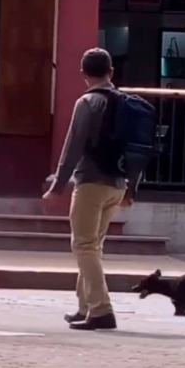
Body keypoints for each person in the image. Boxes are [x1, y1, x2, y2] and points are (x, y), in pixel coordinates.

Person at [42, 48, 141, 331]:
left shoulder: (87, 102)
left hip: (91, 183)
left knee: (84, 246)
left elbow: (73, 146)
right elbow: (138, 150)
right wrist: (130, 189)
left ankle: (101, 310)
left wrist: (58, 186)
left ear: (83, 74)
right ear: (111, 72)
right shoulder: (126, 103)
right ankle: (85, 306)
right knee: (93, 246)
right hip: (117, 185)